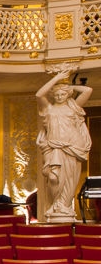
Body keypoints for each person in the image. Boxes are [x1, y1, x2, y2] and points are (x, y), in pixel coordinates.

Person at [36, 69, 92, 223]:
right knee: (53, 177)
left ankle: (64, 207)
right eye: (57, 94)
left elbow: (88, 90)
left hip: (72, 147)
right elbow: (39, 95)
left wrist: (71, 86)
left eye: (63, 94)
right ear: (53, 95)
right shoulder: (48, 108)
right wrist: (57, 79)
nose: (60, 96)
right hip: (53, 147)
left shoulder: (73, 106)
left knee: (70, 180)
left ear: (67, 94)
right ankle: (56, 205)